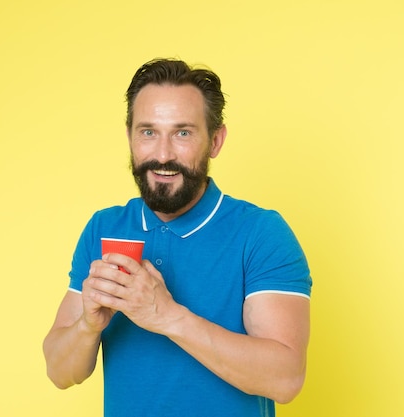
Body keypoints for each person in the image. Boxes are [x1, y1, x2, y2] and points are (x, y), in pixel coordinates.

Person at [43, 58, 312, 417]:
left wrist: (166, 316)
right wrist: (88, 327)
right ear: (129, 137)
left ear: (215, 141)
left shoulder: (261, 233)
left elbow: (285, 379)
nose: (163, 154)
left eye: (183, 133)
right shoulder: (104, 227)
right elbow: (61, 373)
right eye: (148, 132)